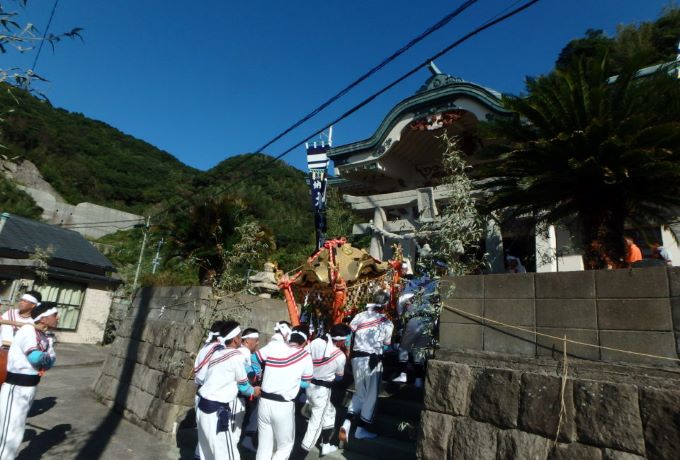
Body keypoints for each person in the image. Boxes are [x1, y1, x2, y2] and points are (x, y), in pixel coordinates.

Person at [0, 301, 58, 460]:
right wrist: (46, 359)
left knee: (17, 431)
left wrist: (46, 359)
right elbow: (36, 356)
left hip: (30, 388)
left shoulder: (44, 336)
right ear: (44, 318)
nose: (58, 318)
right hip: (16, 388)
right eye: (55, 315)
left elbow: (52, 360)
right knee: (9, 433)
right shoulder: (28, 330)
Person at [196, 321, 260, 460]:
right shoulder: (236, 356)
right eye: (239, 335)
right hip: (216, 411)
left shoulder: (217, 352)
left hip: (202, 407)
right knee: (228, 454)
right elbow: (244, 386)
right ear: (236, 338)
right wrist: (256, 391)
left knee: (206, 453)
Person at [339, 291, 394, 443]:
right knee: (370, 396)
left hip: (357, 359)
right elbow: (387, 345)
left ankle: (347, 422)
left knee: (359, 393)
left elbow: (350, 332)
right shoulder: (387, 322)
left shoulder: (360, 316)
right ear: (385, 304)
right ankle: (361, 429)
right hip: (372, 360)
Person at [253, 325, 313, 460]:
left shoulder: (274, 346)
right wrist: (293, 381)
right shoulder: (305, 355)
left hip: (264, 402)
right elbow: (306, 382)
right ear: (305, 342)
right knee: (284, 447)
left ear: (289, 337)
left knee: (264, 447)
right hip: (283, 405)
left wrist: (259, 377)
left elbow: (254, 359)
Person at [300, 323, 351, 456]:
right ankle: (300, 454)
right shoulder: (340, 356)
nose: (345, 342)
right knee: (315, 424)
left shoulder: (316, 342)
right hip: (322, 390)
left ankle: (326, 444)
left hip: (309, 386)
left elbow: (303, 356)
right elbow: (339, 378)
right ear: (340, 340)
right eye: (344, 340)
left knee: (330, 412)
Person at [192, 320, 226, 460]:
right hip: (210, 397)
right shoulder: (219, 349)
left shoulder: (206, 347)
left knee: (203, 437)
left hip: (200, 393)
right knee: (212, 439)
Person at [238, 328, 260, 454]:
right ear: (247, 341)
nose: (257, 343)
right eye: (256, 340)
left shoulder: (242, 352)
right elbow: (248, 374)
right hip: (238, 396)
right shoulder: (244, 353)